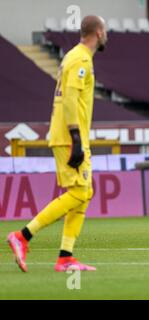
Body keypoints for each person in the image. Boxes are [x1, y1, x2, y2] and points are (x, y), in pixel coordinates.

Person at [7, 15, 108, 272]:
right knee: (79, 192)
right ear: (97, 32)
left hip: (71, 135)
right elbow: (70, 99)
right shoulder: (81, 58)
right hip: (68, 136)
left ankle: (65, 257)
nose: (106, 35)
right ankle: (23, 236)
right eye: (104, 30)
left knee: (84, 194)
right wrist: (75, 136)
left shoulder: (75, 57)